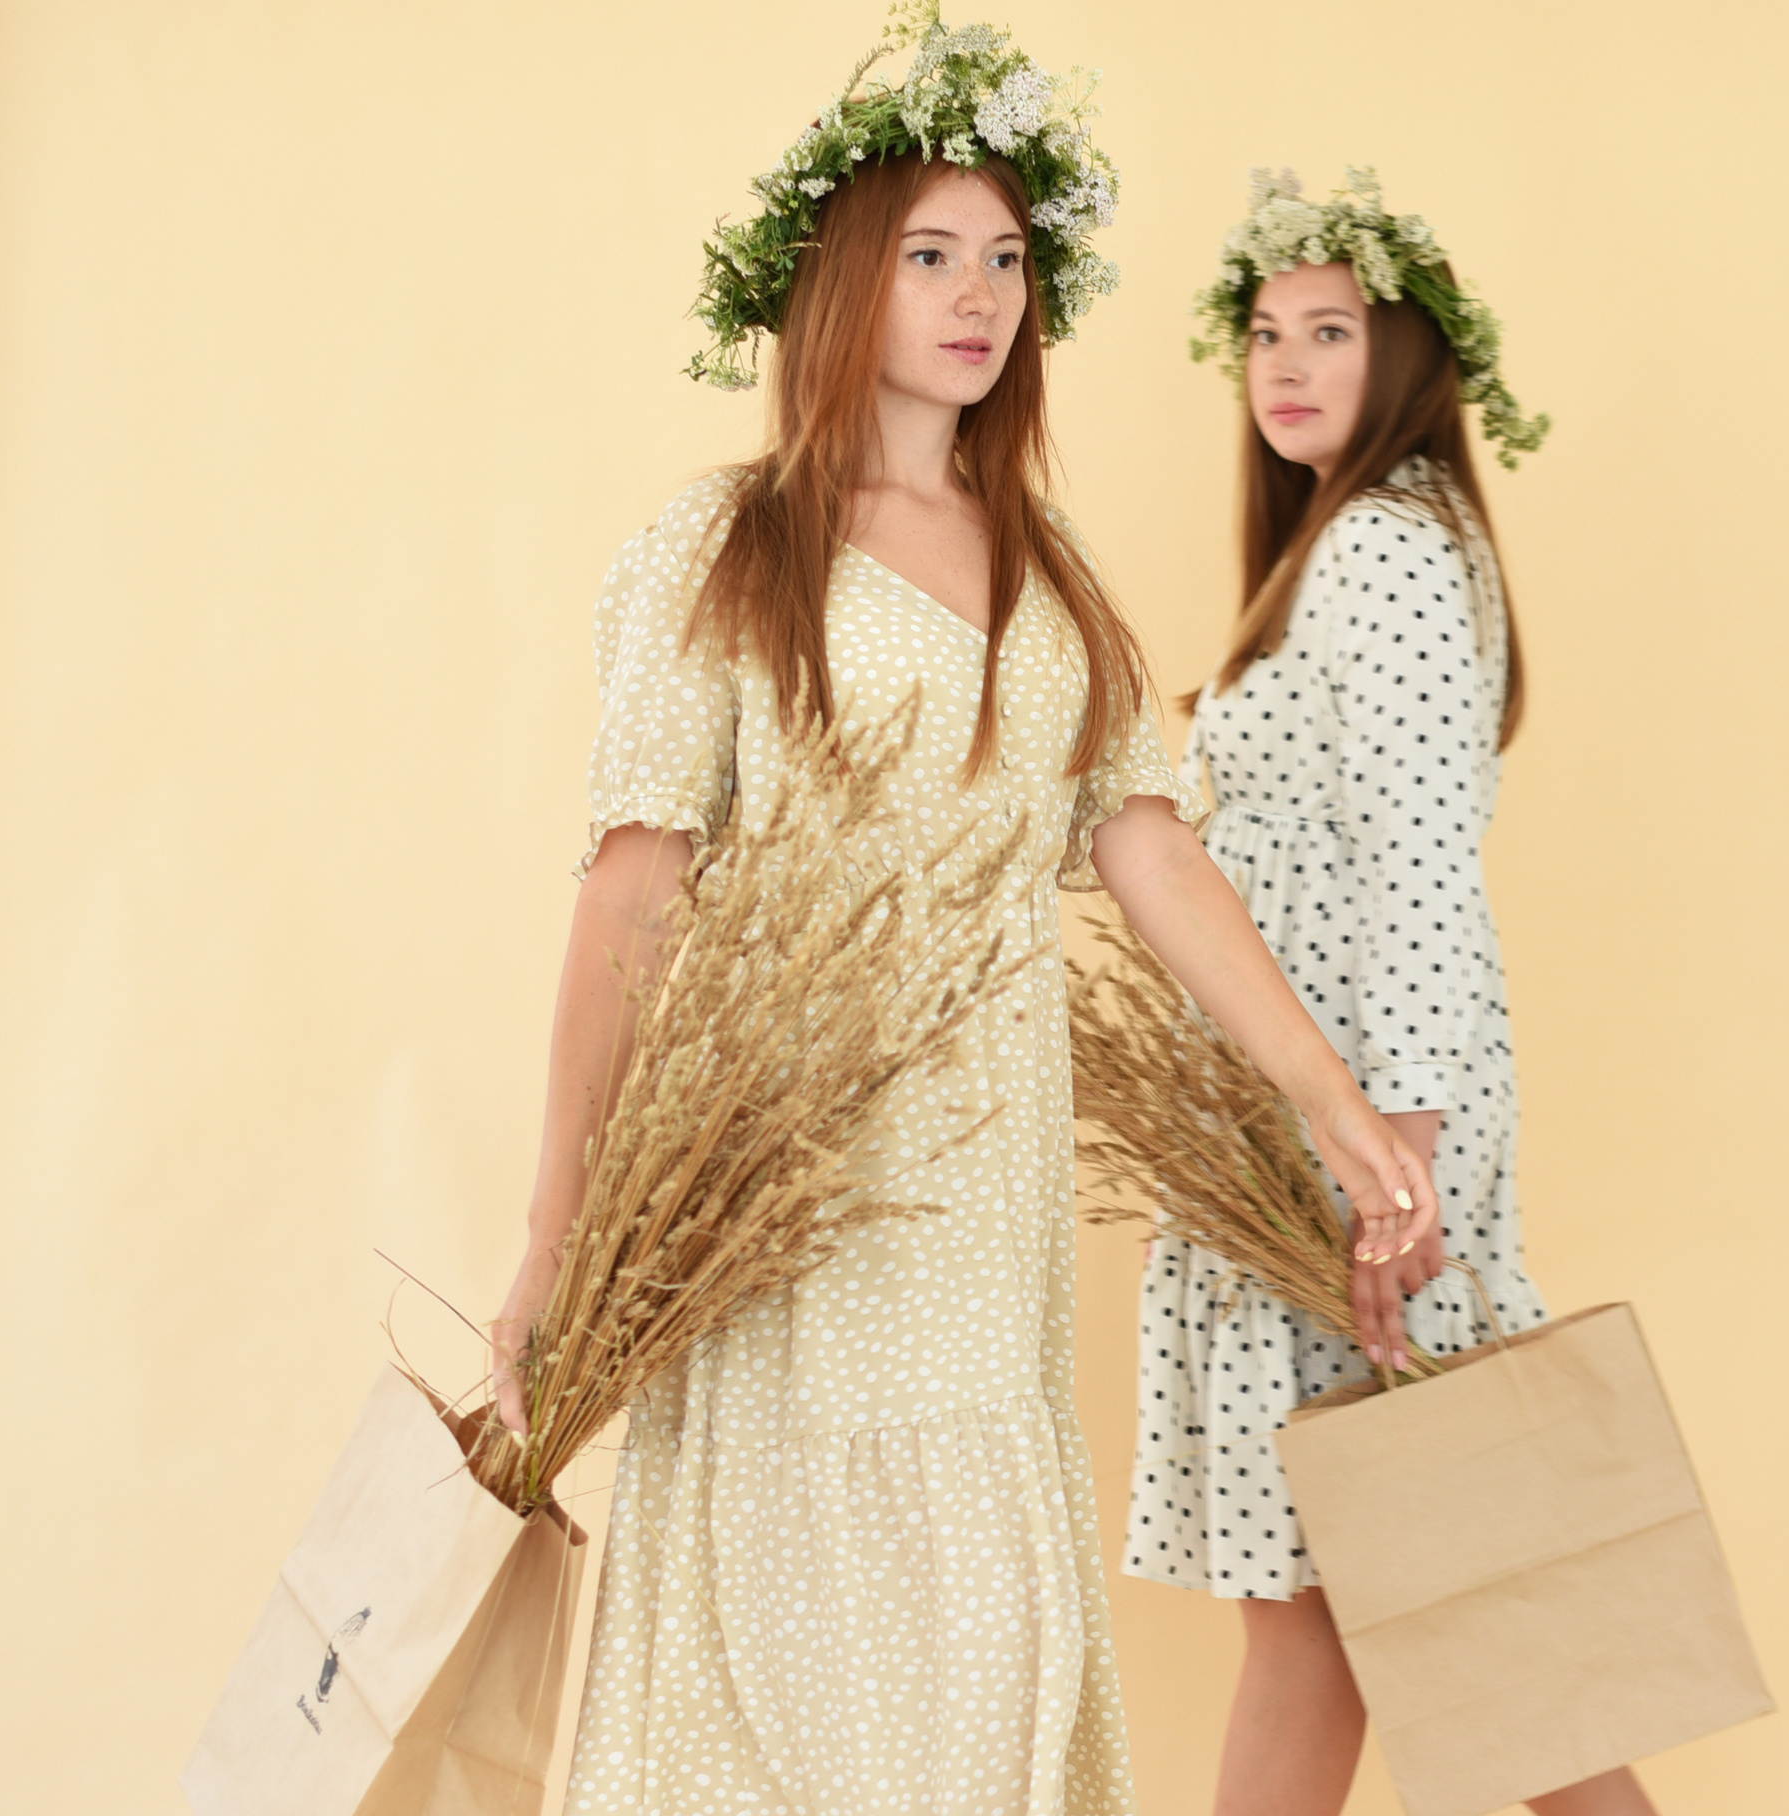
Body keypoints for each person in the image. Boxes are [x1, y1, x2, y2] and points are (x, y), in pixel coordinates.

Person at [483, 28, 1438, 1812]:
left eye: (1007, 260)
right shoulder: (726, 548)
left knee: (975, 1637)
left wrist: (1330, 1097)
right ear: (844, 278)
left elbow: (1148, 850)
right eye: (932, 254)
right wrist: (554, 1236)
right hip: (787, 1187)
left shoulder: (1046, 565)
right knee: (786, 1643)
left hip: (981, 1204)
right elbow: (630, 898)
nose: (979, 295)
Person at [1124, 170, 1656, 1816]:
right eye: (1265, 336)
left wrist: (1396, 1157)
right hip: (1327, 1117)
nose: (1284, 365)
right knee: (1350, 1597)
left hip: (1360, 1124)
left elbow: (1425, 867)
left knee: (1422, 1584)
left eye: (1330, 333)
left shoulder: (1385, 552)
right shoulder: (1354, 548)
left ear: (1405, 351)